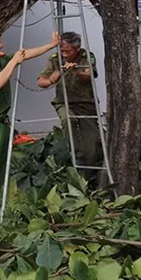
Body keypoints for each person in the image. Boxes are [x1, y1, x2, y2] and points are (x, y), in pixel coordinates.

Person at [0, 23, 59, 221]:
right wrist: (13, 61)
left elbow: (25, 54)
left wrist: (51, 45)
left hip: (2, 125)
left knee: (0, 174)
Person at [37, 31, 102, 180]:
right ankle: (75, 154)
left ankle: (86, 179)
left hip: (86, 104)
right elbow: (41, 81)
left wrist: (76, 72)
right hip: (64, 102)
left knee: (91, 146)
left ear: (77, 49)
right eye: (62, 50)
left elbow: (89, 75)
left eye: (67, 51)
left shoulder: (87, 56)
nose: (64, 54)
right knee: (68, 119)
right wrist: (51, 79)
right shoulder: (54, 59)